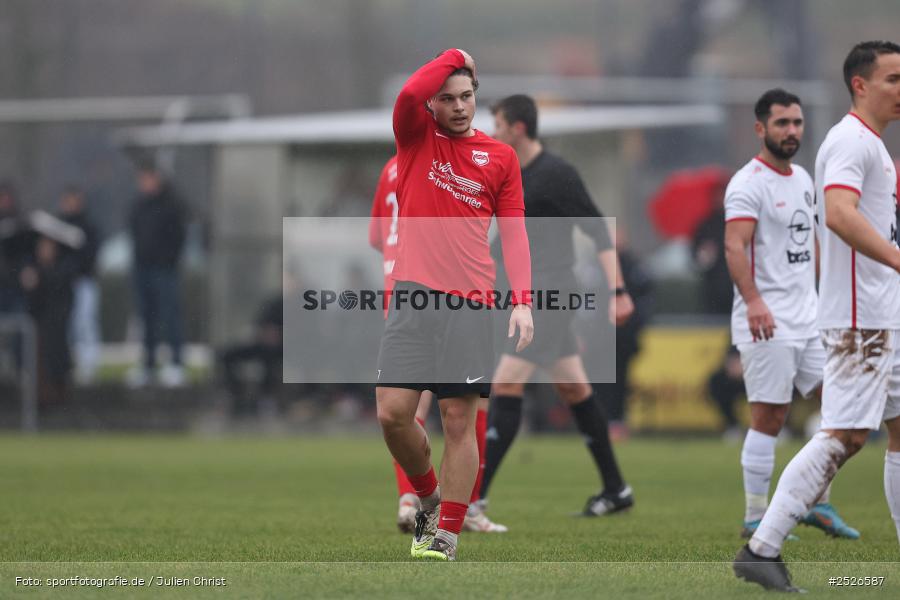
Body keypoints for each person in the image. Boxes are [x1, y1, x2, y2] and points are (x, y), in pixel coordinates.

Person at [735, 41, 900, 592]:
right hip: (861, 320)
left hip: (879, 314)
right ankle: (762, 547)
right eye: (893, 79)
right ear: (860, 84)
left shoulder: (872, 147)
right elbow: (838, 214)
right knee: (846, 435)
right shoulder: (851, 141)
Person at [375, 49, 533, 562]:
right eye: (448, 98)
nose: (460, 107)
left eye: (467, 96)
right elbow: (406, 93)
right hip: (412, 297)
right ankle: (428, 498)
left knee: (458, 421)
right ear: (433, 105)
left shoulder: (500, 158)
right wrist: (455, 58)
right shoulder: (414, 139)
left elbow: (514, 234)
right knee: (393, 415)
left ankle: (446, 534)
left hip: (469, 302)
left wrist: (523, 301)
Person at [475, 94, 635, 523]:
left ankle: (474, 500)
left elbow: (599, 232)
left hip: (549, 292)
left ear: (519, 128)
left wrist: (618, 290)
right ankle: (616, 488)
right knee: (575, 389)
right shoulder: (506, 172)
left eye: (499, 124)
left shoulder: (557, 174)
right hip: (526, 293)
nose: (493, 131)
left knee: (506, 382)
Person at [723, 88, 858, 546]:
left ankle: (816, 502)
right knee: (770, 414)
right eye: (782, 123)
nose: (792, 131)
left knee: (839, 406)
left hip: (810, 317)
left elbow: (812, 245)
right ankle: (754, 516)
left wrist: (830, 295)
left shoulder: (803, 177)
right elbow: (734, 245)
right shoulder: (747, 183)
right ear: (761, 129)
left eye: (797, 123)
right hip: (768, 320)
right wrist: (754, 301)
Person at [371, 155, 506, 534]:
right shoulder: (444, 165)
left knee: (407, 408)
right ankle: (466, 507)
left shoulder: (392, 167)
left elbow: (378, 238)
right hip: (445, 293)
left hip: (399, 290)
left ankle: (409, 500)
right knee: (466, 408)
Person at [127, 163, 188, 388]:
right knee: (147, 319)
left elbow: (179, 237)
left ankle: (176, 363)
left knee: (170, 316)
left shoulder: (171, 205)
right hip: (143, 269)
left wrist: (167, 259)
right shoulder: (138, 206)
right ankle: (148, 365)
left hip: (165, 270)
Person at [58, 186, 101, 384]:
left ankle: (89, 365)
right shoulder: (58, 226)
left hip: (84, 282)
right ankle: (64, 365)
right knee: (65, 326)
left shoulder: (88, 227)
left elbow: (90, 255)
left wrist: (77, 270)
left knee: (85, 323)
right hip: (62, 284)